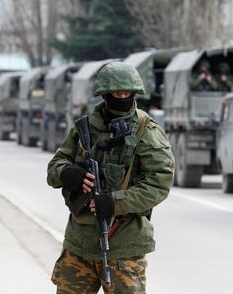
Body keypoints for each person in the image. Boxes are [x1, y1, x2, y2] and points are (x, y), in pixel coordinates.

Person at [47, 62, 174, 294]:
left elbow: (160, 183)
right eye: (117, 93)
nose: (122, 97)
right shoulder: (85, 128)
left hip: (123, 244)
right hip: (79, 243)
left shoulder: (146, 131)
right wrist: (67, 174)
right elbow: (55, 166)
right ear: (105, 94)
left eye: (127, 93)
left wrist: (116, 202)